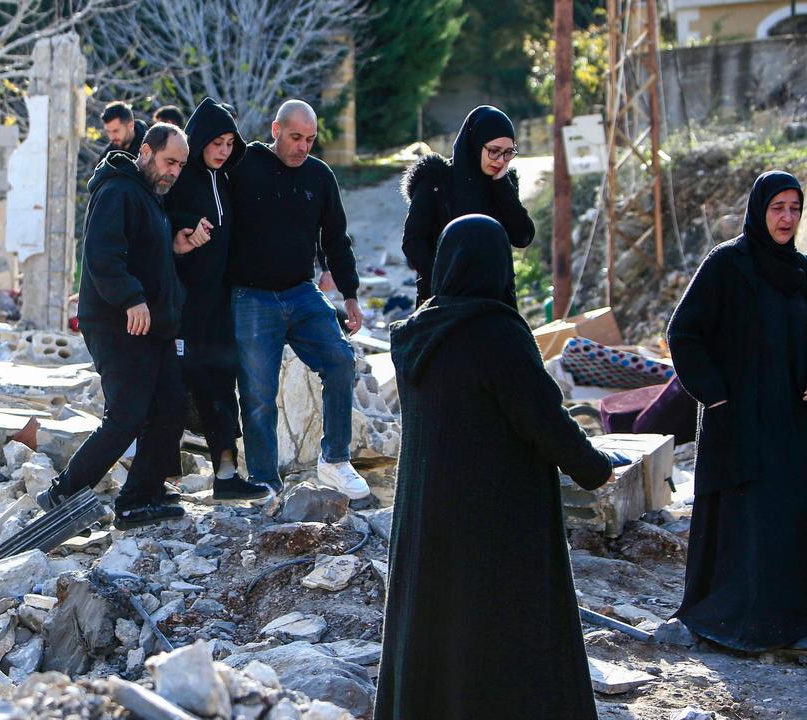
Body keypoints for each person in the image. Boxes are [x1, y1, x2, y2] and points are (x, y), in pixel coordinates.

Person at [376, 215, 614, 720]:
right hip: (494, 518)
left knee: (439, 634)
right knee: (499, 637)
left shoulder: (416, 335)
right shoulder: (496, 333)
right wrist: (595, 468)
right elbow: (542, 417)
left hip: (427, 517)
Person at [37, 123, 208, 529]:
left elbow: (142, 253)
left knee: (170, 407)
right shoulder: (117, 190)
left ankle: (138, 498)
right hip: (118, 322)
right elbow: (102, 255)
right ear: (146, 152)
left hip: (154, 326)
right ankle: (64, 491)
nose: (174, 172)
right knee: (128, 413)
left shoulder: (147, 196)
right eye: (170, 161)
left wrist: (175, 247)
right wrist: (131, 298)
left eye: (181, 166)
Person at [667, 170, 807, 652]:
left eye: (794, 208)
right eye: (777, 208)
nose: (787, 217)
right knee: (749, 520)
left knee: (788, 519)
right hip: (740, 419)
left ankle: (787, 622)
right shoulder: (728, 264)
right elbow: (684, 333)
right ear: (758, 210)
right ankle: (738, 618)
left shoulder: (802, 271)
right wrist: (716, 395)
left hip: (791, 423)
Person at [227, 99, 367, 498]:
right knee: (258, 396)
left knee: (341, 360)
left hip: (301, 292)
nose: (303, 147)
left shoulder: (319, 176)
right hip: (250, 296)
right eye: (295, 137)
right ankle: (264, 481)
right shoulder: (245, 164)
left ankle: (335, 460)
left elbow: (336, 239)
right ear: (275, 130)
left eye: (310, 139)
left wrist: (351, 294)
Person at [164, 97, 266, 501]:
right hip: (183, 308)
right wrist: (183, 236)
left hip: (220, 306)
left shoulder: (225, 179)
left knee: (223, 385)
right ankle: (158, 481)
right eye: (216, 141)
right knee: (174, 390)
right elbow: (162, 231)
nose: (223, 150)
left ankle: (226, 476)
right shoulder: (179, 179)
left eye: (229, 142)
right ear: (200, 139)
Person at [400, 105, 534, 305]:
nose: (500, 160)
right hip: (442, 302)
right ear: (475, 144)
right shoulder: (435, 180)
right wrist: (443, 280)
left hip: (495, 303)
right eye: (494, 151)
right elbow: (413, 242)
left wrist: (501, 185)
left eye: (508, 153)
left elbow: (522, 236)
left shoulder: (502, 184)